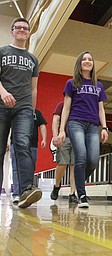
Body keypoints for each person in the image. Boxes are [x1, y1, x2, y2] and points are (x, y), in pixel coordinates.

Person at [56, 51, 108, 208]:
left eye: (90, 59)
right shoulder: (71, 83)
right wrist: (62, 130)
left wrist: (104, 127)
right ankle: (82, 194)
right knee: (81, 156)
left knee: (93, 160)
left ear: (93, 64)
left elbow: (101, 109)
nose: (87, 61)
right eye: (84, 59)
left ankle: (78, 183)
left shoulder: (98, 86)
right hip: (75, 123)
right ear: (79, 64)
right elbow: (66, 107)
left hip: (93, 125)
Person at [0, 17, 42, 208]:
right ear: (12, 30)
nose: (22, 30)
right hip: (1, 105)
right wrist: (3, 93)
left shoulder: (33, 59)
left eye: (25, 28)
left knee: (22, 145)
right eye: (19, 27)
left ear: (28, 33)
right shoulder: (2, 52)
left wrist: (32, 112)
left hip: (24, 108)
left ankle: (26, 190)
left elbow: (34, 89)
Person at [11, 109, 47, 204]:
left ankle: (28, 191)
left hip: (33, 144)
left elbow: (42, 126)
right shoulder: (15, 110)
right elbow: (8, 126)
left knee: (30, 168)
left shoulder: (37, 113)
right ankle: (16, 194)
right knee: (16, 169)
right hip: (15, 143)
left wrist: (44, 139)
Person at [50, 101, 77, 204]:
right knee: (62, 163)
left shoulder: (79, 105)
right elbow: (55, 120)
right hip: (64, 137)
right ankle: (57, 185)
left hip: (76, 138)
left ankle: (72, 193)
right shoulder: (61, 105)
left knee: (74, 165)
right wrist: (55, 135)